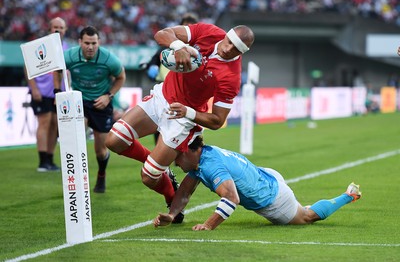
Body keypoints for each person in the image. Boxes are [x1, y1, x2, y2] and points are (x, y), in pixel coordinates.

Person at [105, 23, 255, 223]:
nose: (228, 49)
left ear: (243, 52)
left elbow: (218, 120)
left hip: (182, 119)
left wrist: (189, 112)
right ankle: (159, 164)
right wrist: (178, 46)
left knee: (148, 177)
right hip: (162, 98)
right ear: (226, 35)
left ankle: (171, 198)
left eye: (236, 49)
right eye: (229, 42)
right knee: (114, 141)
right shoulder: (209, 32)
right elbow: (161, 34)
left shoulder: (231, 77)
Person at [153, 136, 362, 230]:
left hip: (273, 200)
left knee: (307, 216)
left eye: (177, 158)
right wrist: (172, 214)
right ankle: (346, 195)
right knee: (303, 209)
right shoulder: (204, 157)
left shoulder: (209, 166)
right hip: (266, 176)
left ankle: (348, 195)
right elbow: (185, 192)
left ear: (190, 150)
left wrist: (208, 225)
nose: (176, 163)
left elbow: (231, 198)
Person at [54, 26, 126, 193]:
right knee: (78, 137)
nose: (90, 47)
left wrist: (109, 96)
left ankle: (101, 174)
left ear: (98, 42)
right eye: (87, 43)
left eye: (94, 43)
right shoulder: (70, 56)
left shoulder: (109, 59)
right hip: (79, 101)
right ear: (80, 42)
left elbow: (121, 77)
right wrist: (57, 92)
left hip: (101, 103)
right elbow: (57, 70)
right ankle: (77, 179)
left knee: (101, 150)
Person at [143, 12, 199, 144]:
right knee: (160, 121)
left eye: (190, 28)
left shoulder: (197, 49)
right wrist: (151, 68)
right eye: (185, 27)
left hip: (185, 92)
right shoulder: (169, 45)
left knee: (182, 123)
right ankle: (160, 152)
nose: (187, 31)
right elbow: (154, 60)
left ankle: (181, 153)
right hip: (163, 87)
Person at [26, 17, 68, 172]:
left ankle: (50, 159)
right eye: (54, 27)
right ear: (49, 29)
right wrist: (34, 88)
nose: (57, 30)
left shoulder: (66, 46)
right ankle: (42, 161)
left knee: (55, 125)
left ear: (65, 30)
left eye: (61, 27)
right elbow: (28, 67)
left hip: (58, 93)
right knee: (44, 122)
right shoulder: (40, 45)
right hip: (42, 91)